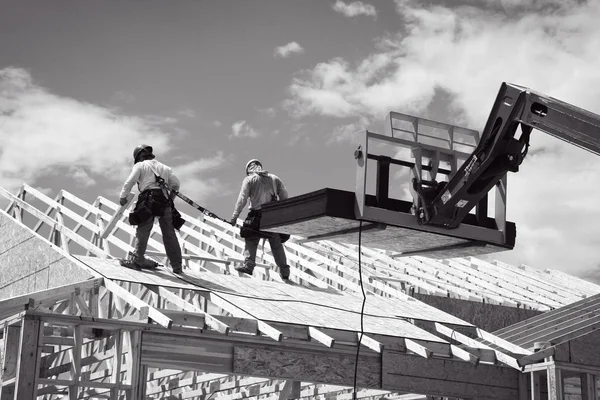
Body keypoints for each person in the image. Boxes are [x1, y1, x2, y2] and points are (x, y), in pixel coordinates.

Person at [119, 144, 183, 274]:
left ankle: (137, 261)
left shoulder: (140, 166)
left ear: (140, 157)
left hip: (148, 200)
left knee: (143, 230)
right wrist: (170, 198)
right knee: (169, 234)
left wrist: (123, 196)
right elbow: (176, 185)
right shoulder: (164, 167)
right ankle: (177, 266)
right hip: (164, 201)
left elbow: (130, 182)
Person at [229, 159, 291, 280]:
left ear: (248, 170)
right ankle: (285, 271)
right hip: (272, 214)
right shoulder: (274, 178)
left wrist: (234, 216)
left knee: (251, 238)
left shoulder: (249, 179)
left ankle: (248, 266)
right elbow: (284, 195)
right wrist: (282, 213)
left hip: (256, 214)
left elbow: (242, 199)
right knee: (276, 243)